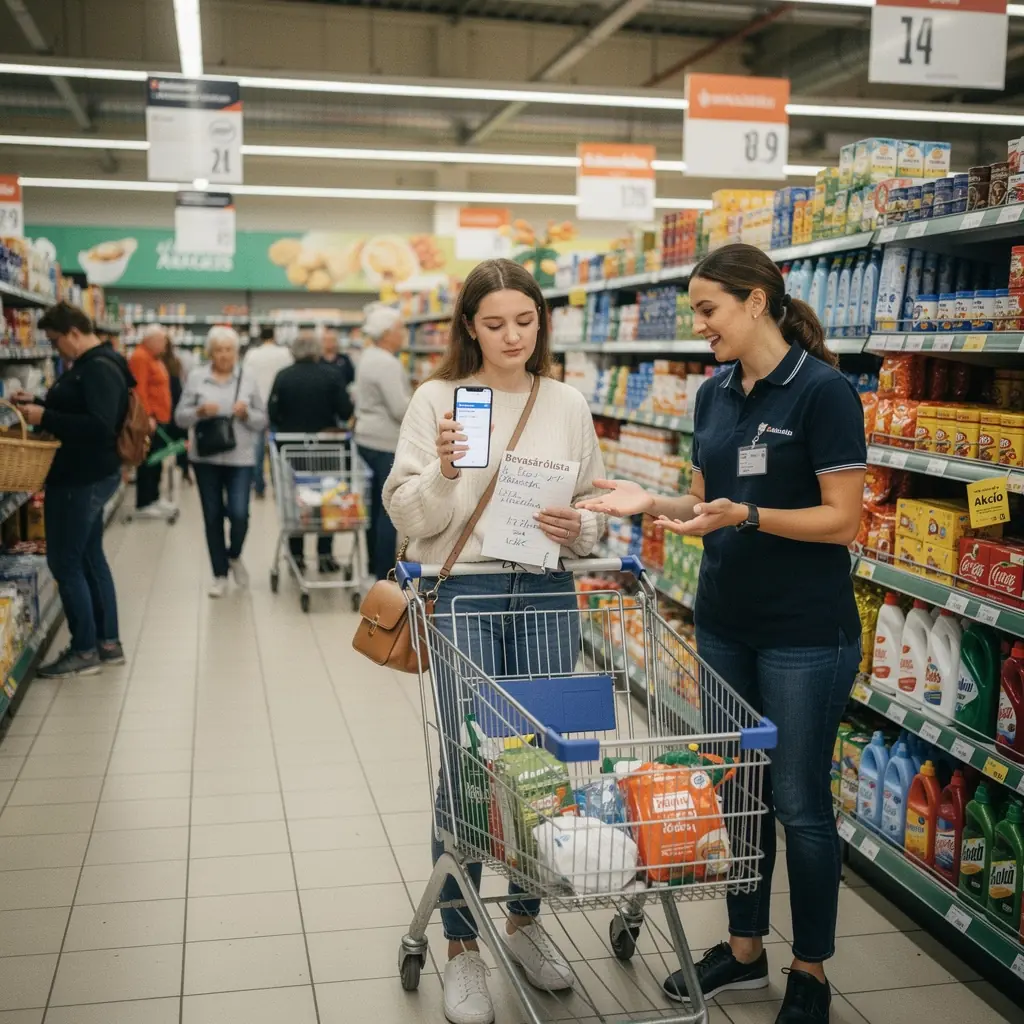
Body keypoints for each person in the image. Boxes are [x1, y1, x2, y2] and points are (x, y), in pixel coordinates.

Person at [577, 243, 865, 1024]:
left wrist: (752, 515)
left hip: (806, 632)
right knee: (737, 793)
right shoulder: (713, 396)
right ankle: (743, 951)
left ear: (757, 302)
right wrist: (652, 502)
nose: (699, 325)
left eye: (708, 309)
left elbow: (843, 520)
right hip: (725, 622)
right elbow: (708, 503)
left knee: (800, 802)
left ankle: (810, 970)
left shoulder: (823, 392)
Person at [383, 259, 607, 1024]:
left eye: (525, 321)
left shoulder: (568, 401)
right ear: (468, 327)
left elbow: (595, 503)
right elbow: (411, 519)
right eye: (494, 323)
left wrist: (582, 526)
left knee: (539, 768)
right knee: (473, 766)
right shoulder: (439, 399)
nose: (512, 336)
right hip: (467, 594)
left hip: (546, 591)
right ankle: (461, 948)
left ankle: (523, 926)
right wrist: (446, 471)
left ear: (541, 323)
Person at [15, 303, 128, 677]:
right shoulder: (94, 364)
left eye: (55, 340)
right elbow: (82, 411)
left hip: (81, 478)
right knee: (90, 557)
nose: (55, 348)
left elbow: (99, 426)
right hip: (86, 475)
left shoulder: (97, 368)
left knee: (65, 561)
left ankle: (83, 651)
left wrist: (45, 417)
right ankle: (106, 644)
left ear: (74, 334)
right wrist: (39, 404)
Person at [176, 326, 267, 598]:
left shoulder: (248, 378)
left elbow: (262, 421)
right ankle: (219, 574)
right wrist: (198, 411)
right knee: (212, 516)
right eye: (219, 350)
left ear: (236, 353)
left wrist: (247, 414)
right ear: (210, 352)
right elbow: (180, 417)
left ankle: (234, 555)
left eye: (229, 350)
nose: (224, 355)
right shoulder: (196, 378)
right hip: (205, 459)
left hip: (241, 458)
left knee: (240, 513)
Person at [268, 329, 354, 573]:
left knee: (295, 500)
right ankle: (325, 555)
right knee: (327, 497)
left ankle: (297, 557)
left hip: (291, 452)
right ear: (317, 351)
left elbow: (273, 414)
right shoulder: (332, 374)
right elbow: (346, 410)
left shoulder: (283, 376)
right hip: (327, 451)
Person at [354, 303, 411, 581]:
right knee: (389, 509)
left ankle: (372, 568)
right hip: (384, 442)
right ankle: (383, 573)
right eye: (400, 329)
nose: (404, 334)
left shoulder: (368, 356)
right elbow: (399, 408)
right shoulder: (387, 363)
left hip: (367, 438)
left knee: (375, 507)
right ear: (387, 332)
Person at [128, 324, 174, 517]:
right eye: (162, 340)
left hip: (160, 418)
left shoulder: (154, 357)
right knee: (148, 461)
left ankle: (154, 497)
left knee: (156, 460)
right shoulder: (140, 357)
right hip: (151, 420)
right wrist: (147, 417)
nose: (165, 344)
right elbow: (139, 391)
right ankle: (145, 502)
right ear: (151, 340)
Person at [241, 324, 292, 499]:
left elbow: (246, 378)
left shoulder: (252, 354)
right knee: (277, 449)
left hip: (257, 406)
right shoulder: (284, 353)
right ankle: (278, 487)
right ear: (275, 335)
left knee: (257, 449)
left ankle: (259, 486)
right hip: (279, 406)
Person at [159, 340, 192, 486]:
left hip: (164, 409)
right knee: (181, 442)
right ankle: (183, 470)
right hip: (176, 406)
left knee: (162, 445)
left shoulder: (159, 363)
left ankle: (164, 474)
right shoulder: (175, 362)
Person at [320, 326, 355, 393]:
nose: (329, 343)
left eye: (332, 340)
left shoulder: (344, 359)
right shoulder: (317, 360)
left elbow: (352, 377)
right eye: (326, 340)